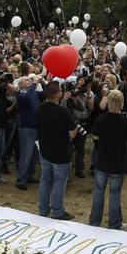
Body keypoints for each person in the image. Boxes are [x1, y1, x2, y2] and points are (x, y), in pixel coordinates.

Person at [89, 90, 127, 229]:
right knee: (114, 194)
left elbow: (95, 137)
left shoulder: (101, 119)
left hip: (102, 161)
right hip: (117, 162)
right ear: (122, 103)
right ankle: (114, 223)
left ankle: (95, 221)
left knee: (98, 192)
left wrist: (100, 146)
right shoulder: (125, 122)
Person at [38, 82, 77, 220]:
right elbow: (73, 133)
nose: (61, 92)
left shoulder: (40, 108)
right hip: (60, 152)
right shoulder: (62, 111)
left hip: (44, 149)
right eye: (60, 90)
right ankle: (57, 211)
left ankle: (43, 209)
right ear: (55, 94)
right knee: (59, 182)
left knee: (45, 179)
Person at [15, 75, 42, 190]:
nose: (29, 81)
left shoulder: (32, 92)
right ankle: (21, 179)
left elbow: (43, 94)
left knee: (34, 154)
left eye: (30, 80)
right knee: (26, 154)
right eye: (27, 80)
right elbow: (28, 97)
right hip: (27, 128)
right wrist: (34, 84)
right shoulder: (21, 94)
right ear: (21, 85)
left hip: (36, 127)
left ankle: (29, 175)